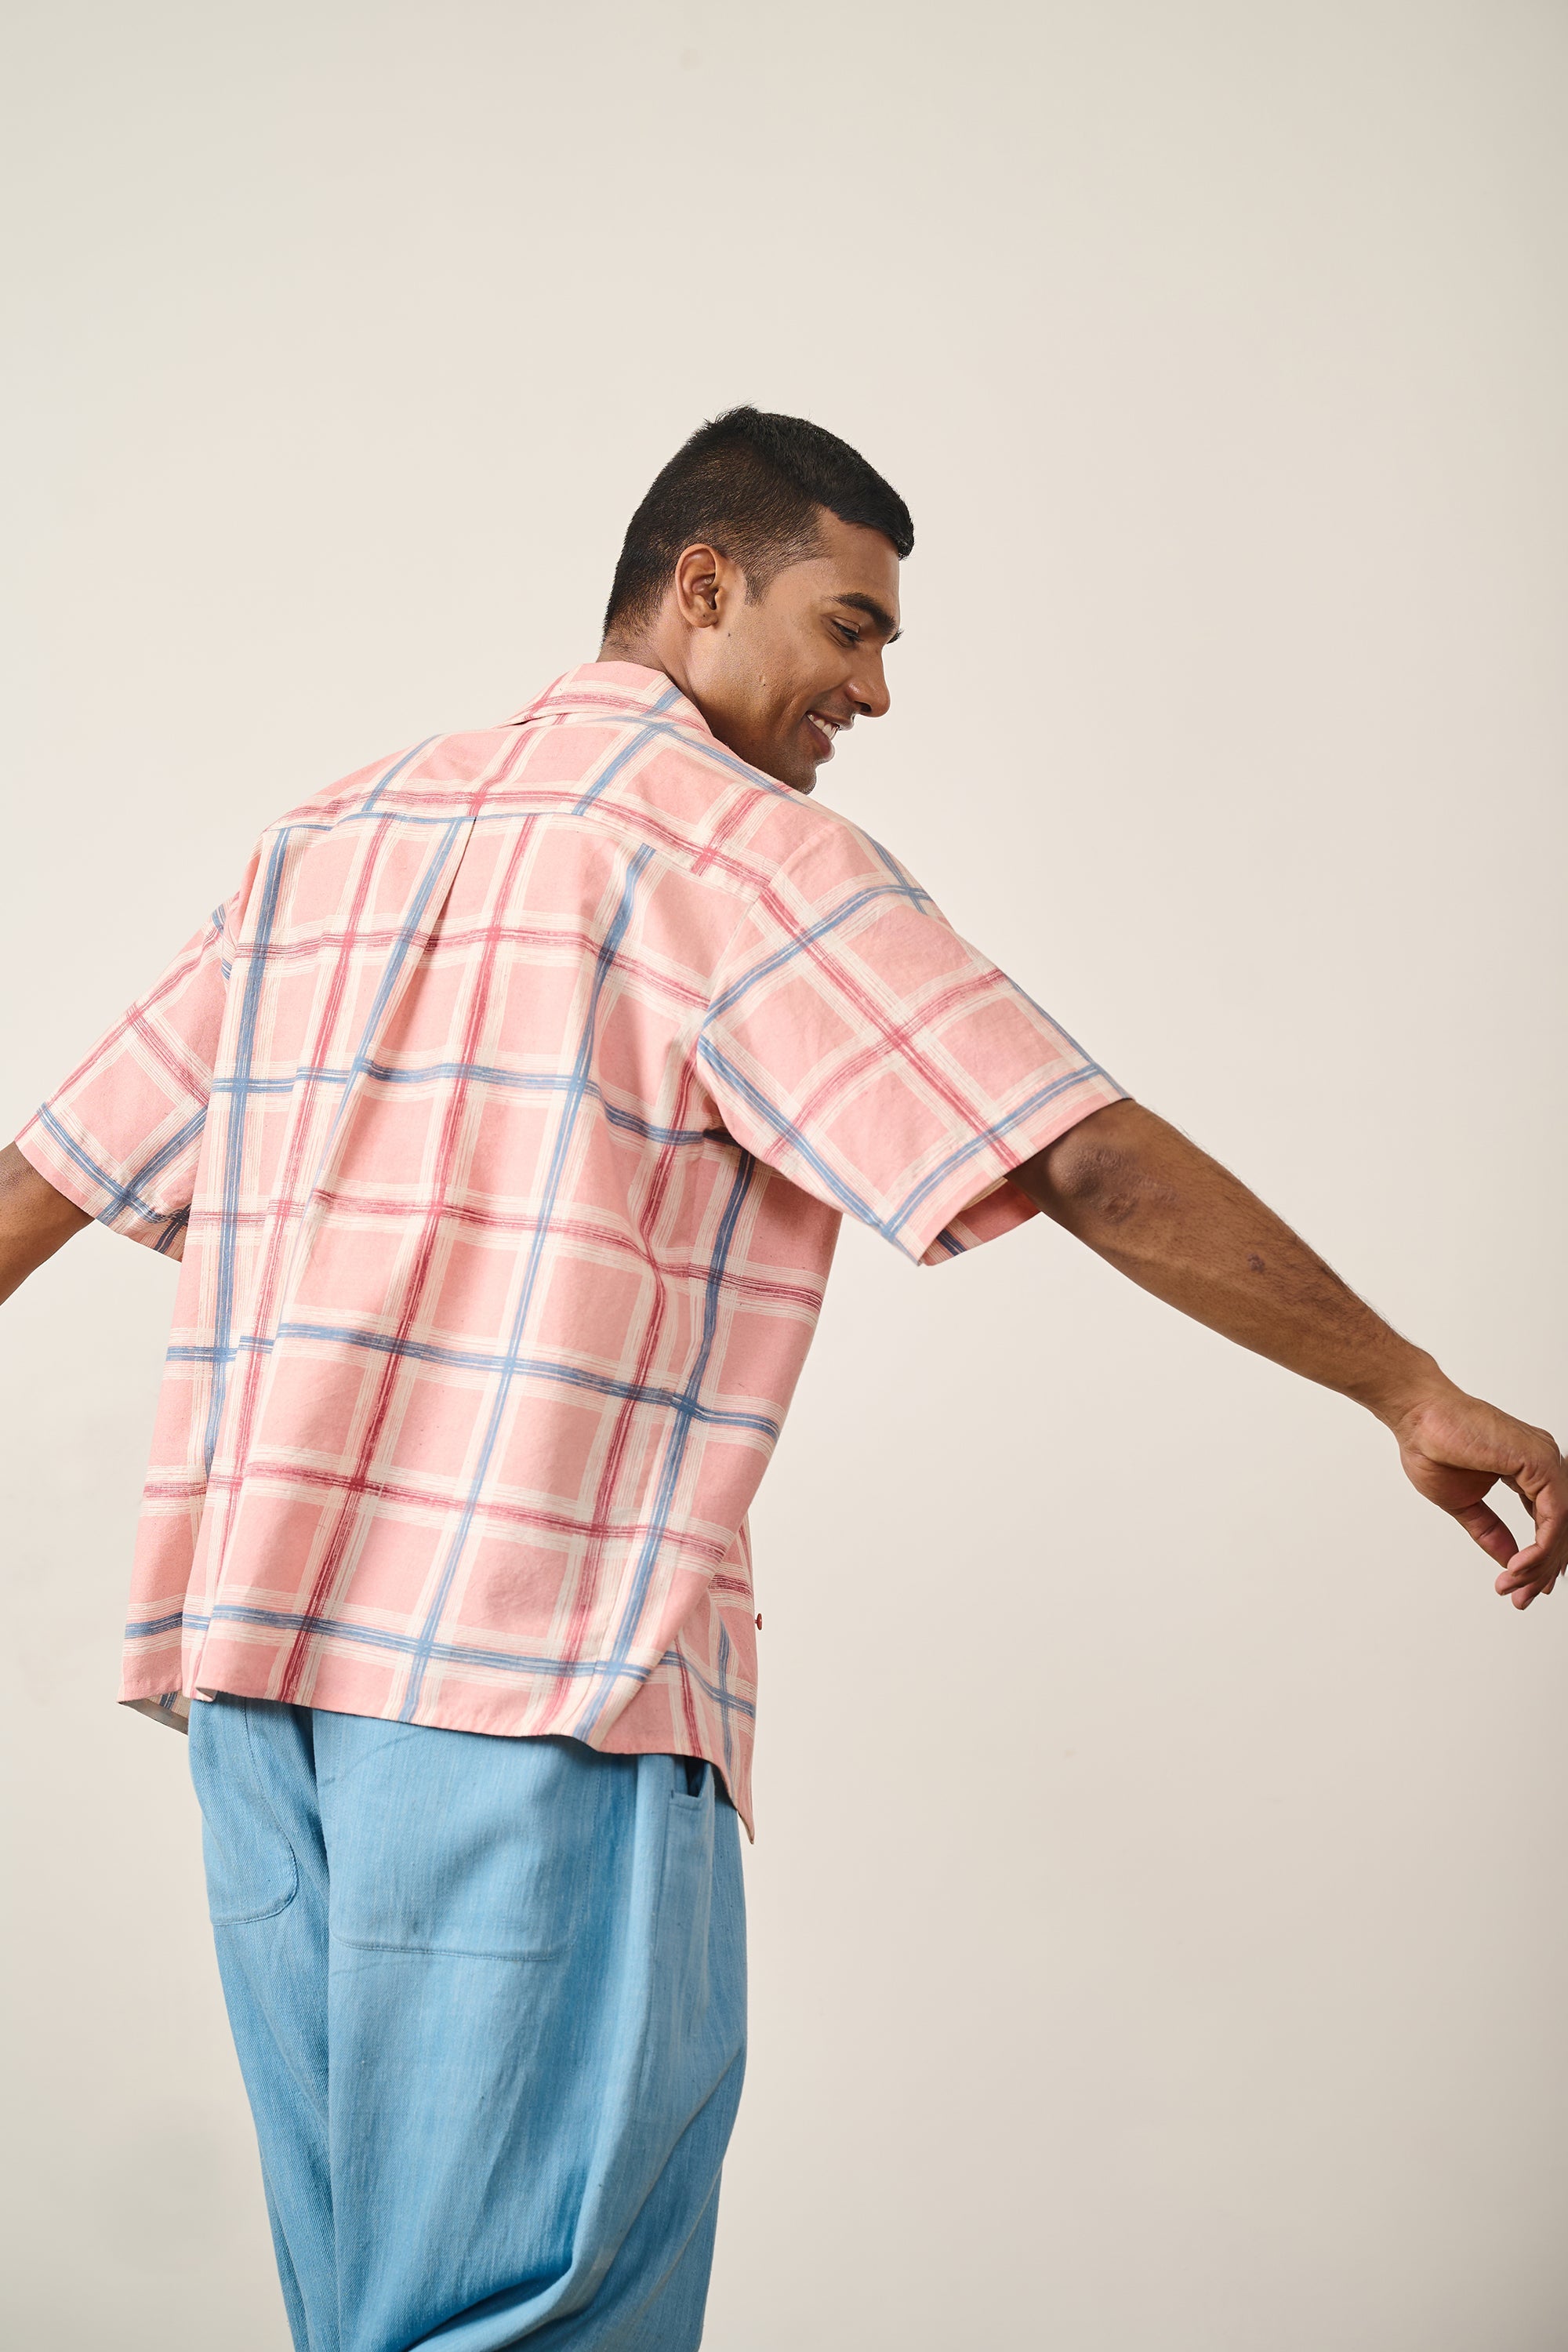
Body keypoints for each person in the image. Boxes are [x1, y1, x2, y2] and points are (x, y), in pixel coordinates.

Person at [2, 405, 1562, 2352]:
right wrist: (1408, 1384)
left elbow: (45, 1178)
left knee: (371, 2318)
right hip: (529, 1681)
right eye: (850, 626)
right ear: (705, 585)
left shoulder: (332, 835)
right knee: (523, 2315)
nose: (876, 688)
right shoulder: (729, 853)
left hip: (259, 1698)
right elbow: (1073, 1146)